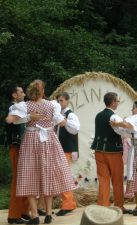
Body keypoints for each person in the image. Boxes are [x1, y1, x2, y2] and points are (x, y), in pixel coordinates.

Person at [6, 80, 75, 225]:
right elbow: (60, 122)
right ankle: (48, 214)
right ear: (42, 91)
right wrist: (57, 120)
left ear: (30, 92)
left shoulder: (25, 106)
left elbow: (10, 120)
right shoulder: (52, 105)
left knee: (29, 177)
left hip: (31, 140)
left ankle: (35, 216)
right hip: (48, 140)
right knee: (48, 176)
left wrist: (29, 117)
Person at [90, 92, 132, 214]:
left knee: (103, 180)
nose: (118, 103)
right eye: (117, 101)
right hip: (112, 151)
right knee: (117, 180)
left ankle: (103, 207)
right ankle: (119, 206)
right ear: (113, 102)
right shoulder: (114, 117)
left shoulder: (98, 115)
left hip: (99, 151)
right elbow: (123, 132)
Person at [5, 85, 30, 224]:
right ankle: (13, 215)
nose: (24, 94)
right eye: (21, 92)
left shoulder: (21, 107)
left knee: (25, 179)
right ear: (14, 95)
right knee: (18, 180)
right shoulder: (12, 108)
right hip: (17, 148)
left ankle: (23, 211)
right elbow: (11, 119)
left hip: (23, 147)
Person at [56, 92, 80, 216]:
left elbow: (76, 128)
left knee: (64, 176)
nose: (60, 103)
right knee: (62, 176)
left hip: (66, 149)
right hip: (60, 149)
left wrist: (65, 122)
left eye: (62, 101)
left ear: (67, 101)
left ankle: (68, 204)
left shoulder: (71, 115)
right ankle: (67, 203)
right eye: (58, 101)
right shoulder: (58, 114)